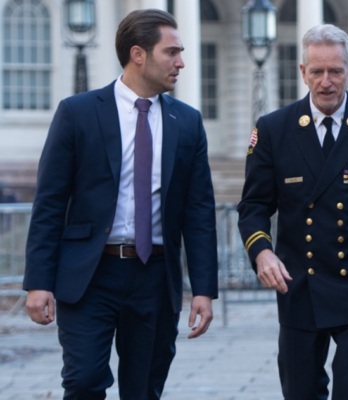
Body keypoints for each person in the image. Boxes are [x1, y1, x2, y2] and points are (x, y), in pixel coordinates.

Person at [23, 9, 218, 399]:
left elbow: (199, 212)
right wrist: (38, 282)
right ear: (138, 54)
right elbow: (49, 203)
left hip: (155, 276)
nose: (181, 62)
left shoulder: (187, 122)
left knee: (144, 389)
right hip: (89, 275)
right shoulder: (77, 113)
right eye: (172, 52)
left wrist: (203, 289)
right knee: (82, 381)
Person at [236, 24, 348, 399]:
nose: (326, 82)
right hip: (297, 281)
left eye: (335, 71)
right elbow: (253, 205)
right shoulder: (274, 129)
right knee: (300, 389)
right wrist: (261, 251)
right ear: (302, 72)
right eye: (316, 71)